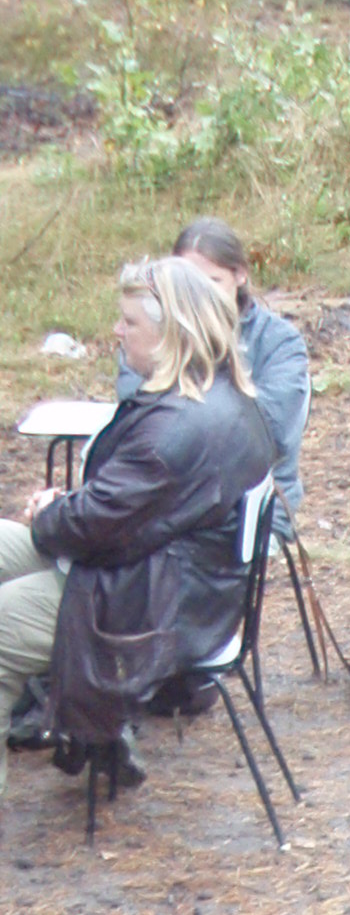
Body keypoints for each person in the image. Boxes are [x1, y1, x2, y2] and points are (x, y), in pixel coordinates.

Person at [1, 256, 273, 793]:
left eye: (130, 322)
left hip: (147, 603)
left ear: (173, 332)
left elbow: (93, 527)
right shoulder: (217, 395)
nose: (117, 330)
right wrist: (70, 509)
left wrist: (54, 512)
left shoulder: (178, 428)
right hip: (160, 576)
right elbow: (124, 513)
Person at [115, 219, 309, 534]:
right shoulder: (150, 334)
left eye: (212, 281)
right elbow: (134, 411)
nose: (201, 295)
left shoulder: (279, 341)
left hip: (248, 511)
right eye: (190, 283)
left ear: (241, 275)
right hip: (166, 501)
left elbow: (270, 431)